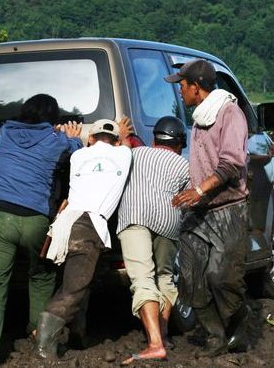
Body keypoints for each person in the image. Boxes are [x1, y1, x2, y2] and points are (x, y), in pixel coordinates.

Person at [0, 94, 82, 366]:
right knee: (41, 275)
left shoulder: (4, 133)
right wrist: (72, 137)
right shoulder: (57, 141)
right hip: (35, 218)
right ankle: (39, 331)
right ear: (52, 119)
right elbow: (75, 153)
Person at [165, 59, 250, 357]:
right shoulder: (201, 117)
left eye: (183, 86)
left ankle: (239, 318)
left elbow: (230, 164)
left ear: (197, 87)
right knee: (190, 276)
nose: (181, 93)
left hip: (228, 208)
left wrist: (199, 189)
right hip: (200, 210)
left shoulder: (230, 114)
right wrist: (190, 192)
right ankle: (215, 336)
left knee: (221, 277)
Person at [33, 118, 132, 361]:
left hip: (65, 223)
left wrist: (74, 138)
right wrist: (125, 135)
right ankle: (44, 346)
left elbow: (81, 152)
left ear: (91, 139)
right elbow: (127, 146)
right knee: (74, 287)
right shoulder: (123, 155)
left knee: (77, 280)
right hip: (89, 226)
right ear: (116, 140)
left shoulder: (79, 156)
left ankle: (77, 332)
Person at [117, 116, 190, 365]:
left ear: (154, 139)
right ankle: (164, 334)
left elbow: (115, 156)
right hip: (169, 220)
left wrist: (123, 138)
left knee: (143, 278)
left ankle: (155, 344)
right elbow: (189, 199)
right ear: (180, 143)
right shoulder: (183, 164)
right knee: (165, 276)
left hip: (135, 217)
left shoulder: (135, 154)